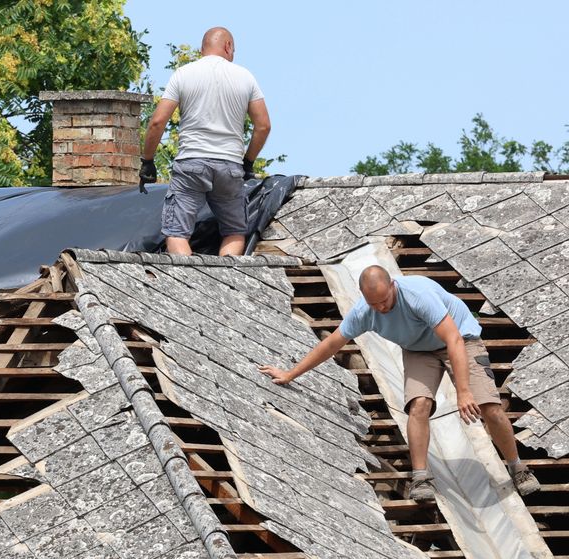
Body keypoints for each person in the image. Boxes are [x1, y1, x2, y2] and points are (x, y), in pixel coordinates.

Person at [258, 265, 540, 501]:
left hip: (460, 339)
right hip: (418, 349)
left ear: (392, 285)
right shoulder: (364, 312)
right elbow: (332, 343)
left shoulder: (417, 295)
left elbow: (452, 339)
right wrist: (291, 374)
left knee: (488, 406)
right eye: (374, 303)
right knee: (418, 405)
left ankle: (518, 467)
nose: (381, 308)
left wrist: (463, 391)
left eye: (384, 300)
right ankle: (420, 478)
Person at [139, 26, 271, 257]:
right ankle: (226, 285)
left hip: (191, 162)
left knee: (177, 232)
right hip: (229, 165)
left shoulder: (183, 74)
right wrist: (248, 162)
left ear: (202, 49)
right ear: (228, 46)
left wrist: (148, 161)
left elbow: (157, 122)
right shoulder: (245, 77)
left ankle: (189, 288)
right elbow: (263, 126)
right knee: (234, 231)